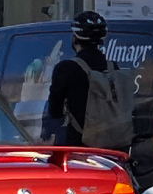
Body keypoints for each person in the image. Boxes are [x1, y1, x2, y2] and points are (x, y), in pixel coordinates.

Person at [46, 11, 131, 149]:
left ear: (75, 38)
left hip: (80, 145)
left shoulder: (66, 68)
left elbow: (54, 111)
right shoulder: (112, 67)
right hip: (114, 145)